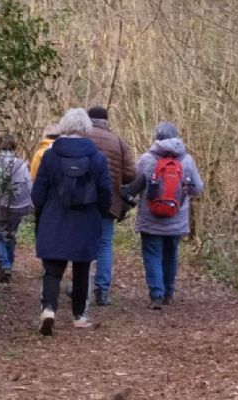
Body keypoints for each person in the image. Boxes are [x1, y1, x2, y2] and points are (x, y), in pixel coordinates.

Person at [31, 108, 114, 335]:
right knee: (82, 269)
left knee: (52, 270)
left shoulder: (50, 156)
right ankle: (79, 316)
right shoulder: (97, 158)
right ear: (86, 128)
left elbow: (38, 193)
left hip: (54, 218)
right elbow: (106, 192)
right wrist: (101, 210)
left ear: (64, 126)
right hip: (85, 220)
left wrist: (42, 210)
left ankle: (48, 309)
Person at [121, 122, 203, 309]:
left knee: (152, 254)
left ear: (156, 137)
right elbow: (197, 188)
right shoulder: (187, 160)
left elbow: (134, 186)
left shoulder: (147, 159)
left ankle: (156, 295)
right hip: (176, 218)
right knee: (171, 254)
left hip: (151, 218)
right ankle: (168, 293)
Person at [81, 106, 136, 306]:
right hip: (109, 201)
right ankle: (102, 291)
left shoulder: (80, 138)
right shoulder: (118, 142)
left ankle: (81, 286)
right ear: (106, 121)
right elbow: (131, 174)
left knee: (82, 242)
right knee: (104, 245)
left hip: (81, 201)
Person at [0, 135, 33, 283]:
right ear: (14, 146)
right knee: (10, 235)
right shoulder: (21, 164)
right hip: (15, 207)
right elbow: (28, 185)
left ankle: (5, 265)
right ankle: (8, 264)